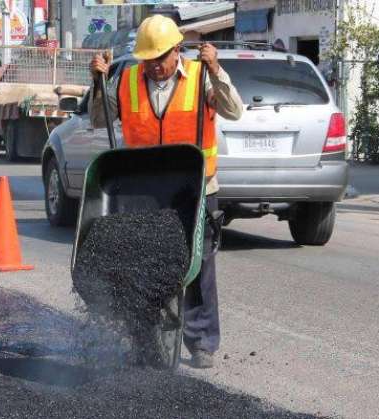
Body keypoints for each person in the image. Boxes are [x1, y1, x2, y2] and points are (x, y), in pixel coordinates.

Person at [89, 15, 243, 369]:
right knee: (140, 265)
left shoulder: (201, 78)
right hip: (143, 190)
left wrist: (216, 70)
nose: (155, 66)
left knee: (198, 265)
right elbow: (99, 119)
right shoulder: (126, 80)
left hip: (196, 188)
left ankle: (201, 341)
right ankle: (143, 336)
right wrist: (98, 81)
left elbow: (233, 110)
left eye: (161, 58)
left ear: (178, 51)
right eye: (149, 59)